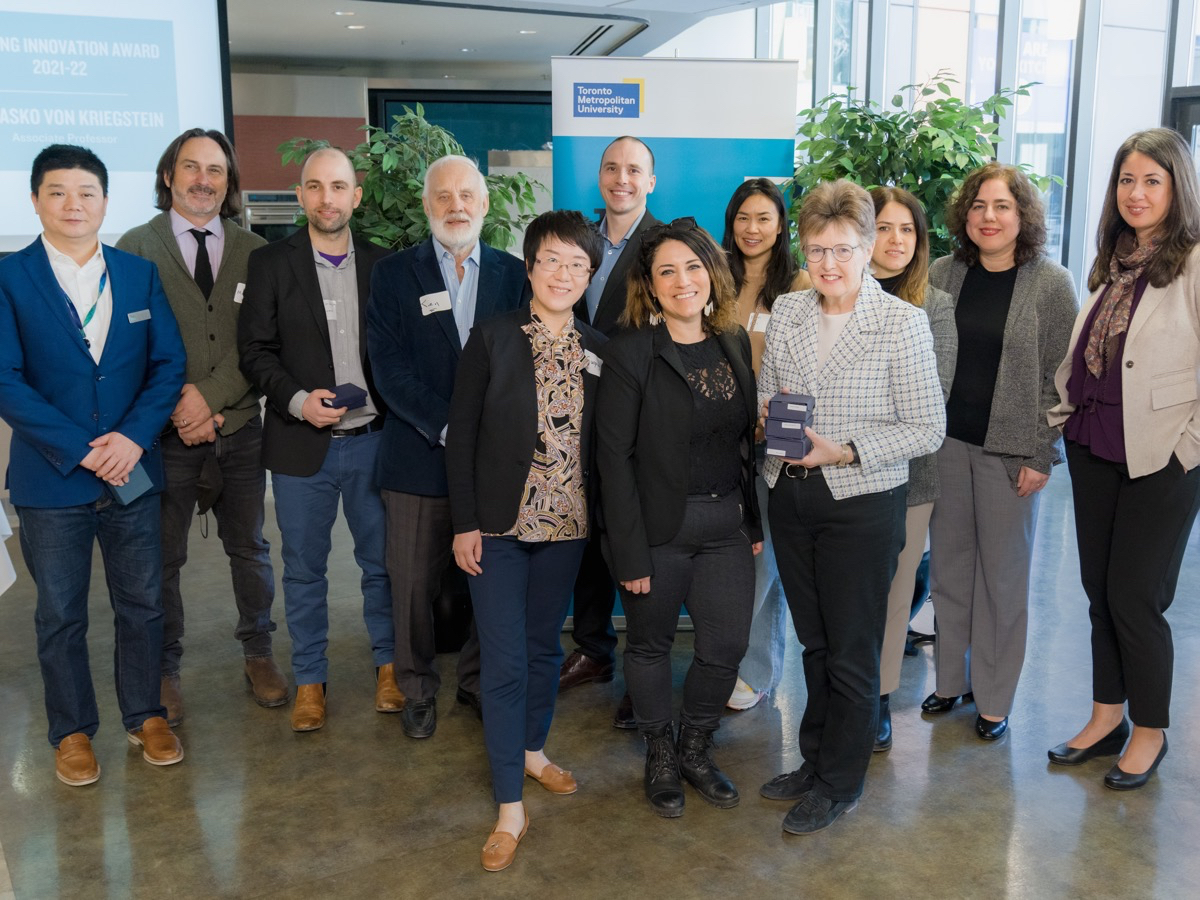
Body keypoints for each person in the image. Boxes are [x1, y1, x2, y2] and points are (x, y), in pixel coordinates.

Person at [758, 180, 944, 834]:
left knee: (853, 649)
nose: (828, 264)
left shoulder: (900, 322)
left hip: (861, 503)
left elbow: (928, 427)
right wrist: (767, 420)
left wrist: (844, 451)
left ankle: (841, 781)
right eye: (816, 250)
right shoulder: (787, 310)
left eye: (842, 249)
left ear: (868, 248)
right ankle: (814, 759)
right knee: (815, 642)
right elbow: (769, 392)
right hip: (791, 497)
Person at [0, 144, 186, 785]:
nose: (73, 204)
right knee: (61, 612)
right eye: (58, 192)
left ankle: (146, 715)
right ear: (35, 200)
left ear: (106, 202)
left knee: (143, 602)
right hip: (52, 476)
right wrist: (84, 448)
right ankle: (72, 730)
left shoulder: (136, 275)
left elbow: (167, 367)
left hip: (132, 469)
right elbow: (6, 379)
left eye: (86, 192)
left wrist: (132, 439)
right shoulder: (9, 276)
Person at [447, 210, 606, 871]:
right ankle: (510, 804)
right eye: (551, 261)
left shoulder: (601, 349)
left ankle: (533, 751)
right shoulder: (492, 337)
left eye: (577, 263)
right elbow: (462, 438)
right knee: (506, 662)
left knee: (545, 651)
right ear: (530, 266)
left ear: (589, 273)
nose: (563, 273)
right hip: (498, 528)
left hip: (567, 529)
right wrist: (463, 523)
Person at [1046, 128, 1200, 790]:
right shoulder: (1115, 257)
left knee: (1136, 597)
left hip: (1161, 454)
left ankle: (1150, 729)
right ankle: (1106, 714)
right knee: (1098, 591)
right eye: (1127, 181)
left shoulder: (1193, 261)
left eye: (1152, 181)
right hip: (1093, 444)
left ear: (1177, 188)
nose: (1136, 194)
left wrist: (1189, 447)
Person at [595, 217, 762, 818]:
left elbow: (745, 444)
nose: (682, 280)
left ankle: (695, 745)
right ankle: (659, 752)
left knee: (726, 647)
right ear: (651, 284)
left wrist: (754, 527)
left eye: (692, 267)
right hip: (658, 531)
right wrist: (628, 552)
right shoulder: (632, 350)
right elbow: (612, 461)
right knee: (648, 646)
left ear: (711, 274)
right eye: (667, 270)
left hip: (726, 526)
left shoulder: (733, 341)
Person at [117, 128, 283, 726]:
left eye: (216, 170)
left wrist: (210, 402)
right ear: (169, 175)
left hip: (239, 428)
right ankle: (164, 668)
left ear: (229, 182)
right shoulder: (134, 248)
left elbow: (262, 342)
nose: (203, 180)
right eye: (191, 167)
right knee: (161, 559)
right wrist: (177, 411)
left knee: (252, 550)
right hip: (164, 438)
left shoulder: (256, 250)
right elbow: (124, 350)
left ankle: (259, 652)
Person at [366, 154, 529, 740]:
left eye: (466, 196)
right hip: (417, 456)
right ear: (426, 206)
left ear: (485, 205)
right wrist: (448, 426)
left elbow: (525, 368)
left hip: (494, 466)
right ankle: (415, 686)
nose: (455, 206)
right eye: (442, 197)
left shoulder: (516, 275)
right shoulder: (392, 276)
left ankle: (476, 682)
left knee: (490, 577)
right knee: (410, 582)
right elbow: (387, 367)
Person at [238, 147, 398, 732]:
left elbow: (399, 356)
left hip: (374, 443)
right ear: (300, 196)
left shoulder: (387, 267)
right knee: (304, 570)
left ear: (356, 196)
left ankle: (389, 668)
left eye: (338, 186)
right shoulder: (271, 264)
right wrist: (297, 400)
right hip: (300, 445)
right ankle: (310, 679)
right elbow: (254, 351)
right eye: (314, 186)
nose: (327, 198)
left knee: (381, 565)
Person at [924, 163, 1077, 741]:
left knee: (1003, 580)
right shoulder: (944, 272)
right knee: (951, 570)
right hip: (945, 444)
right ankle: (950, 683)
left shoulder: (1050, 283)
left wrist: (1042, 454)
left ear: (1023, 216)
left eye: (1002, 207)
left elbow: (1060, 379)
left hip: (1010, 454)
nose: (989, 217)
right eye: (980, 206)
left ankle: (993, 699)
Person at [559, 136, 662, 734]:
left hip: (641, 416)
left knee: (635, 537)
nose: (620, 178)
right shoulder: (577, 238)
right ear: (599, 176)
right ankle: (594, 649)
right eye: (611, 168)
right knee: (584, 532)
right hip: (575, 413)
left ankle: (640, 671)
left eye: (633, 170)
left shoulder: (664, 244)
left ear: (650, 180)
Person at [867, 186, 957, 751]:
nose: (896, 240)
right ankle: (835, 692)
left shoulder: (936, 307)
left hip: (909, 478)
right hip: (831, 478)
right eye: (883, 227)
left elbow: (930, 401)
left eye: (907, 230)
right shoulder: (826, 293)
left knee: (894, 593)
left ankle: (876, 700)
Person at [720, 178, 812, 711]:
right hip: (717, 442)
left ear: (780, 225)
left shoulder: (799, 283)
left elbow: (803, 371)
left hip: (771, 442)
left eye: (763, 218)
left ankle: (753, 671)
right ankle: (730, 660)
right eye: (742, 218)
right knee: (733, 559)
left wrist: (779, 435)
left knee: (766, 558)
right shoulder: (714, 277)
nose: (752, 229)